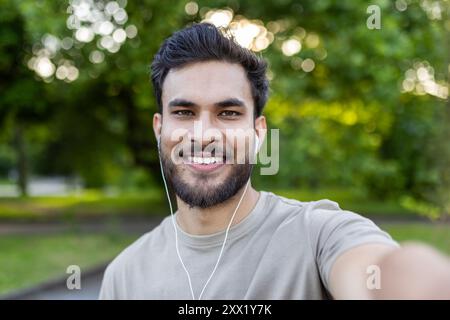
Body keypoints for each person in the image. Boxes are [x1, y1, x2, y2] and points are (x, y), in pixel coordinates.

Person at [99, 23, 450, 300]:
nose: (203, 134)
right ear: (160, 128)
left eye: (228, 112)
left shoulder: (318, 236)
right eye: (184, 112)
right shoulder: (124, 275)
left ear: (258, 131)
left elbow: (381, 271)